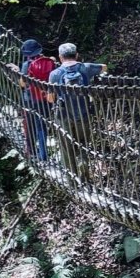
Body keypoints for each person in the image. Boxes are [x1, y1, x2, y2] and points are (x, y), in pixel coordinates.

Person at [48, 43, 107, 182]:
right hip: (84, 112)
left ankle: (72, 179)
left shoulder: (55, 74)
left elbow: (50, 99)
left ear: (60, 57)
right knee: (83, 144)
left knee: (66, 147)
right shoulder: (85, 68)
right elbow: (104, 67)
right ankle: (84, 167)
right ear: (76, 55)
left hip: (63, 115)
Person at [8, 39, 56, 160]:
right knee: (42, 125)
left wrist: (18, 73)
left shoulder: (27, 65)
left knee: (29, 125)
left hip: (30, 99)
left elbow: (23, 84)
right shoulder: (50, 62)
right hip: (46, 98)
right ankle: (44, 155)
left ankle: (31, 151)